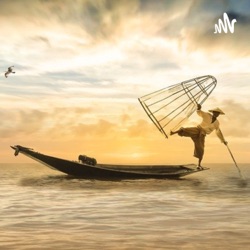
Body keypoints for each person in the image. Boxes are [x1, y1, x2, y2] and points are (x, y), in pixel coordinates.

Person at [170, 104, 227, 169]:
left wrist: (223, 141)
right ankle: (173, 132)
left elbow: (218, 131)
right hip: (198, 129)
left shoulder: (217, 123)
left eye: (217, 113)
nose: (216, 114)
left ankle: (199, 165)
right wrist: (199, 109)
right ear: (213, 112)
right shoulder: (207, 115)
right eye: (215, 112)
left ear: (218, 114)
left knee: (201, 149)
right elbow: (200, 113)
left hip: (202, 134)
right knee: (186, 130)